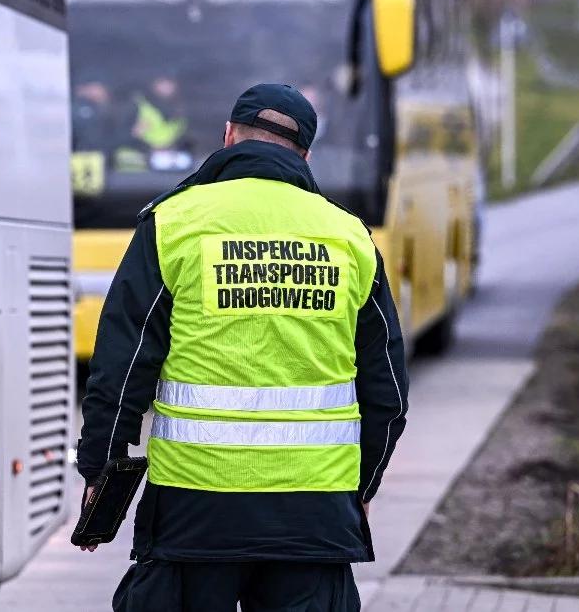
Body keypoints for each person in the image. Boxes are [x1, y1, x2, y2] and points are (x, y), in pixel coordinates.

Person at [75, 83, 409, 611]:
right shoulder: (349, 237)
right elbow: (387, 393)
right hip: (314, 516)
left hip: (193, 513)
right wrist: (360, 491)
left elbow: (122, 366)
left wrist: (101, 469)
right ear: (304, 154)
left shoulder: (174, 224)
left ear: (228, 137)